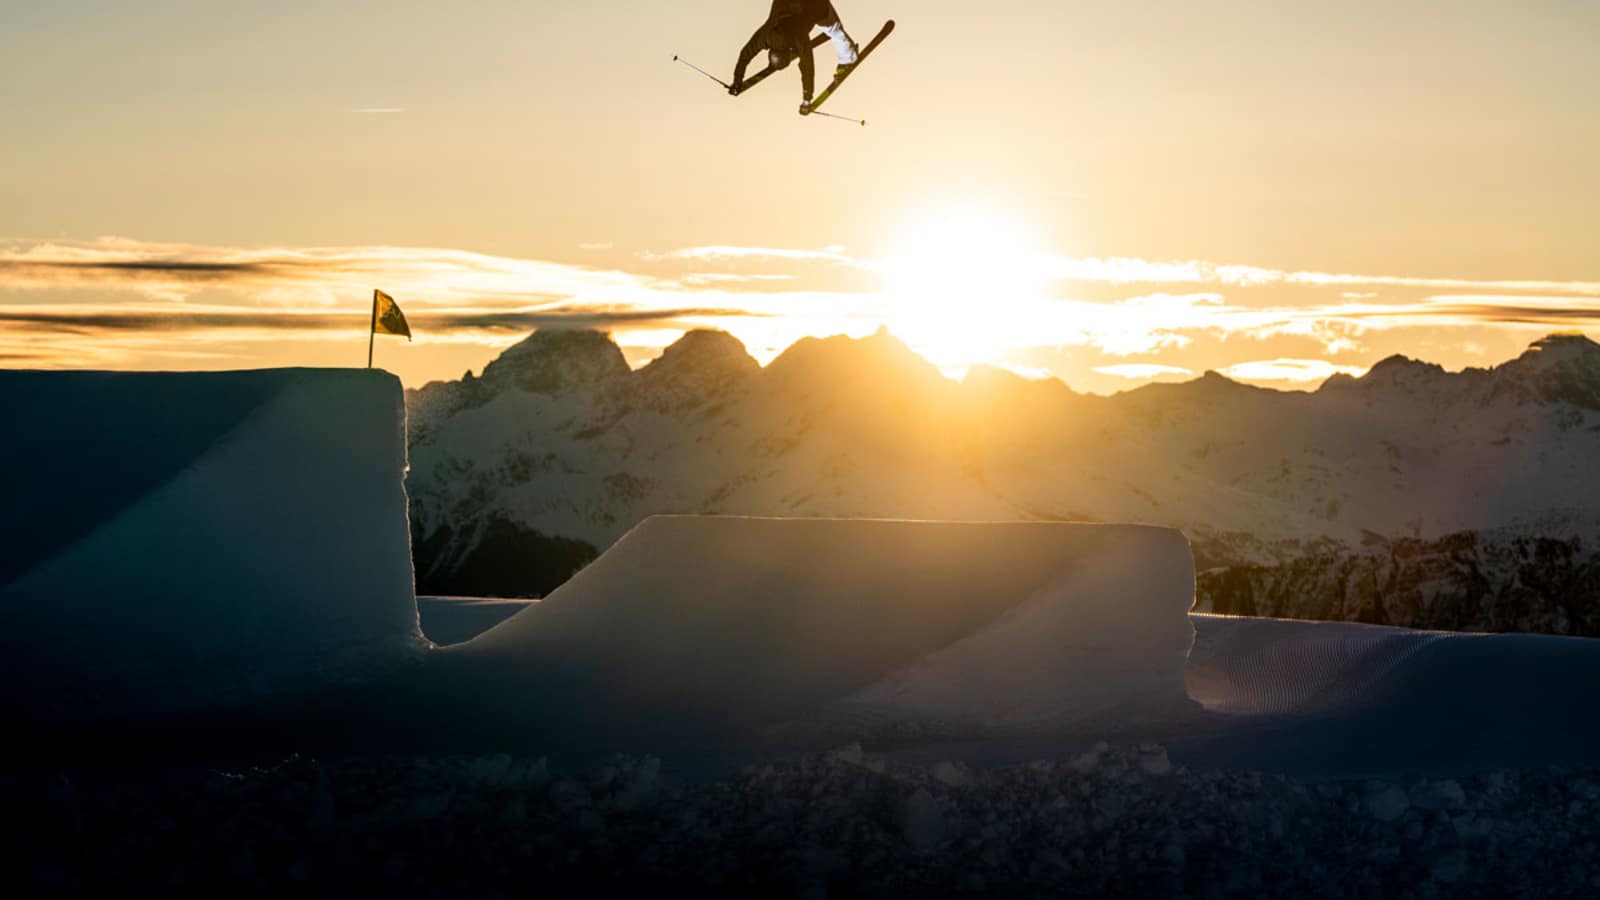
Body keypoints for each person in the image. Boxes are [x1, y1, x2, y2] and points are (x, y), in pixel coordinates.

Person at [730, 0, 860, 113]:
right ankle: (795, 50)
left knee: (834, 30)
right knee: (806, 33)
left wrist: (807, 99)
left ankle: (848, 59)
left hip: (815, 5)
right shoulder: (766, 35)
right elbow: (745, 54)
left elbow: (807, 67)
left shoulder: (793, 37)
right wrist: (737, 80)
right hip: (791, 7)